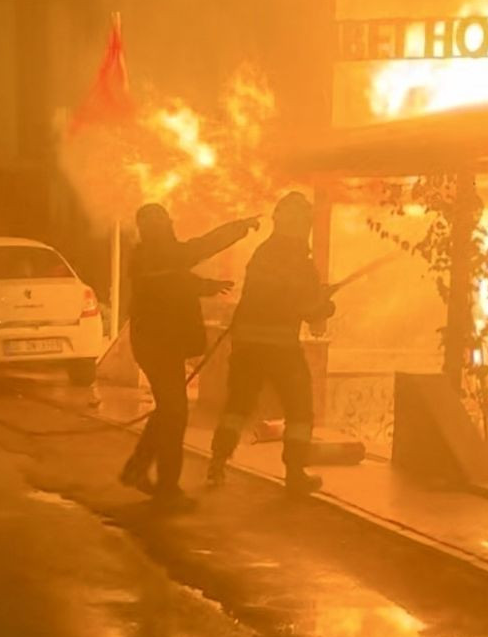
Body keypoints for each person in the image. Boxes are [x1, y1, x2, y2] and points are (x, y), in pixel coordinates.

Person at [121, 202, 259, 512]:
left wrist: (237, 228)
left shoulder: (154, 256)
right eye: (160, 222)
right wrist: (237, 230)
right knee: (175, 412)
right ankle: (167, 487)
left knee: (169, 409)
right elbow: (182, 270)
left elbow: (183, 267)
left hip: (160, 344)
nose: (165, 227)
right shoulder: (151, 257)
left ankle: (137, 468)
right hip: (157, 345)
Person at [208, 190, 335, 497]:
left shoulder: (263, 253)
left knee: (237, 405)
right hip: (280, 348)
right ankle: (294, 473)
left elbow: (270, 297)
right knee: (300, 408)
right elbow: (306, 308)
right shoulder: (298, 262)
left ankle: (217, 462)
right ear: (302, 224)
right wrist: (325, 306)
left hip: (248, 345)